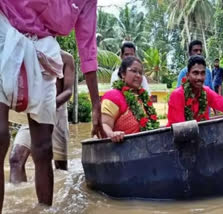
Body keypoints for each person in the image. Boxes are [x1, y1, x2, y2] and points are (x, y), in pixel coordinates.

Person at [0, 1, 105, 210]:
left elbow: (87, 48)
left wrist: (96, 105)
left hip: (44, 57)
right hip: (4, 36)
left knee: (44, 148)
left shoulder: (86, 3)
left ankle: (44, 209)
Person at [9, 50, 74, 184]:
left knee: (60, 168)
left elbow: (68, 91)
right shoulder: (27, 52)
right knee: (15, 159)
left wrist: (49, 106)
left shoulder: (66, 58)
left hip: (57, 113)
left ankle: (58, 200)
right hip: (33, 111)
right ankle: (19, 201)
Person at [167, 55, 223, 126]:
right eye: (195, 73)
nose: (199, 78)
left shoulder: (205, 91)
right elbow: (179, 129)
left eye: (202, 73)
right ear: (187, 75)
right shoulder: (177, 95)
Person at [101, 56, 159, 143]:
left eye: (140, 72)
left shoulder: (144, 98)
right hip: (122, 151)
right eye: (134, 71)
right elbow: (103, 125)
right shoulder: (113, 96)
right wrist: (112, 134)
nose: (138, 75)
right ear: (123, 74)